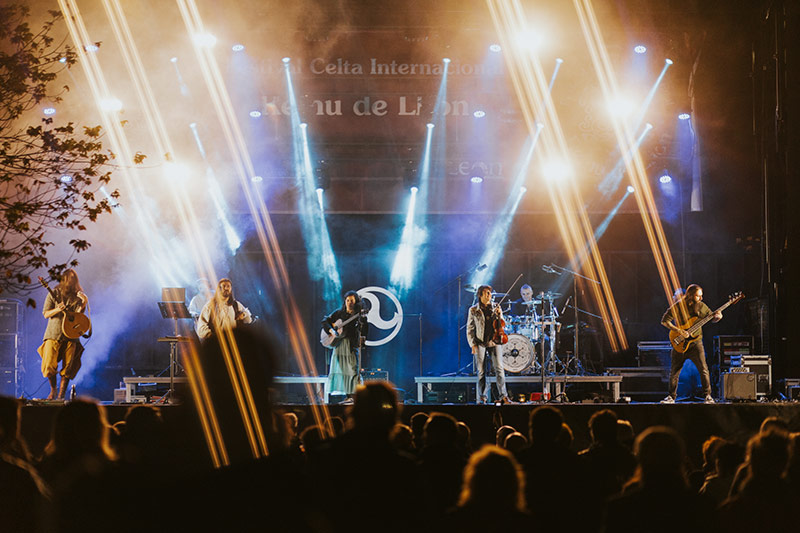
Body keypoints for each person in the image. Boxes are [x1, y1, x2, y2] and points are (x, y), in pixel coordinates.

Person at [660, 284, 721, 404]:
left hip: (696, 342)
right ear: (690, 295)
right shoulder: (678, 306)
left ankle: (707, 396)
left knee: (703, 369)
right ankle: (671, 397)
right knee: (674, 372)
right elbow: (664, 321)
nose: (701, 298)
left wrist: (718, 317)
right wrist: (678, 331)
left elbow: (712, 318)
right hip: (680, 342)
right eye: (698, 296)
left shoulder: (702, 306)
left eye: (701, 296)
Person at [37, 268, 89, 400]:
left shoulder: (77, 295)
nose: (70, 281)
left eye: (73, 279)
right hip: (53, 333)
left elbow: (77, 316)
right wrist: (57, 309)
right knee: (48, 364)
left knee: (68, 367)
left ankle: (61, 395)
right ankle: (53, 390)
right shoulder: (53, 293)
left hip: (71, 336)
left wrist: (83, 303)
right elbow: (46, 313)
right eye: (68, 278)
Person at [466, 285, 510, 403]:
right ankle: (482, 397)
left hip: (494, 341)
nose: (489, 295)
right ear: (480, 295)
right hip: (480, 342)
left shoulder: (496, 307)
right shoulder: (473, 310)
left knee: (499, 369)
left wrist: (499, 313)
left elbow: (501, 323)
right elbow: (470, 329)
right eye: (486, 293)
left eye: (490, 293)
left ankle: (503, 396)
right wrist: (472, 344)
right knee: (481, 371)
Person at [322, 290, 368, 402]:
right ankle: (348, 397)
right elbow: (325, 321)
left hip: (351, 344)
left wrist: (364, 336)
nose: (349, 303)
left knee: (353, 370)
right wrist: (331, 330)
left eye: (352, 300)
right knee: (342, 371)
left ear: (356, 301)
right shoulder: (339, 313)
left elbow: (365, 328)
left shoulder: (359, 315)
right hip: (339, 345)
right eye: (347, 300)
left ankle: (354, 396)